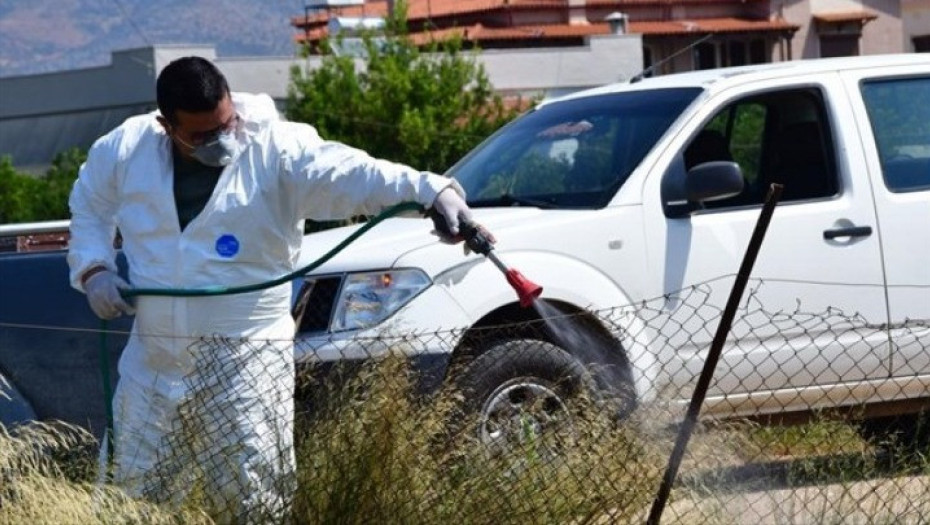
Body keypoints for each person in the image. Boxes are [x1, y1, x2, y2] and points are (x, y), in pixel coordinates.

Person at [67, 56, 481, 522]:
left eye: (225, 125)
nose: (220, 140)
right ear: (167, 127)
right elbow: (90, 206)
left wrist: (431, 192)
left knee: (251, 492)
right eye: (202, 136)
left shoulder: (276, 149)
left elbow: (352, 173)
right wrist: (94, 269)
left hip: (245, 359)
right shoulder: (126, 150)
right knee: (132, 492)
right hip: (154, 359)